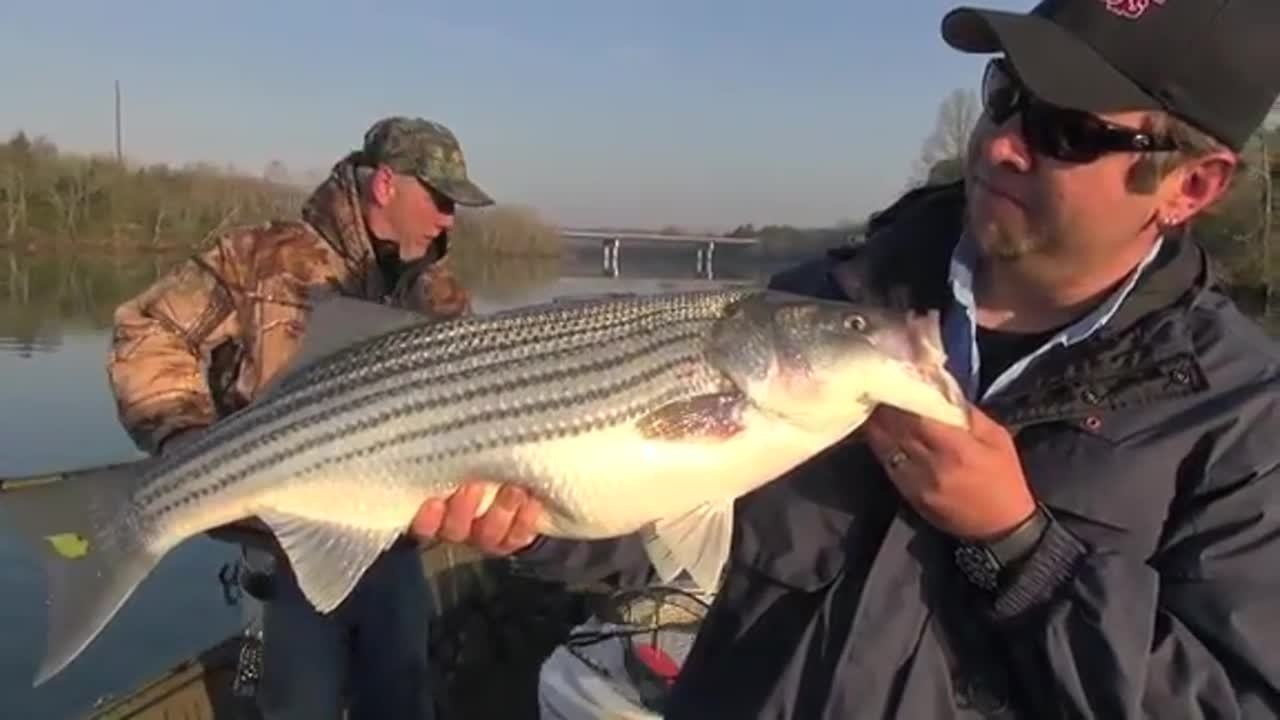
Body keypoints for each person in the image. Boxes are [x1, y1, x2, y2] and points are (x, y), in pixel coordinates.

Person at [410, 1, 1280, 717]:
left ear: (1192, 185)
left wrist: (1019, 548)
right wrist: (534, 522)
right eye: (1004, 94)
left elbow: (1230, 702)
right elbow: (656, 541)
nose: (1002, 141)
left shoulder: (1243, 417)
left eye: (1067, 132)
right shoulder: (817, 308)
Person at [105, 115, 494, 720]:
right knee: (290, 702)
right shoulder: (259, 258)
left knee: (405, 702)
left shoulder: (441, 299)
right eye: (440, 199)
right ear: (386, 185)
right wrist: (183, 437)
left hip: (395, 553)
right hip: (279, 556)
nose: (450, 219)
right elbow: (148, 329)